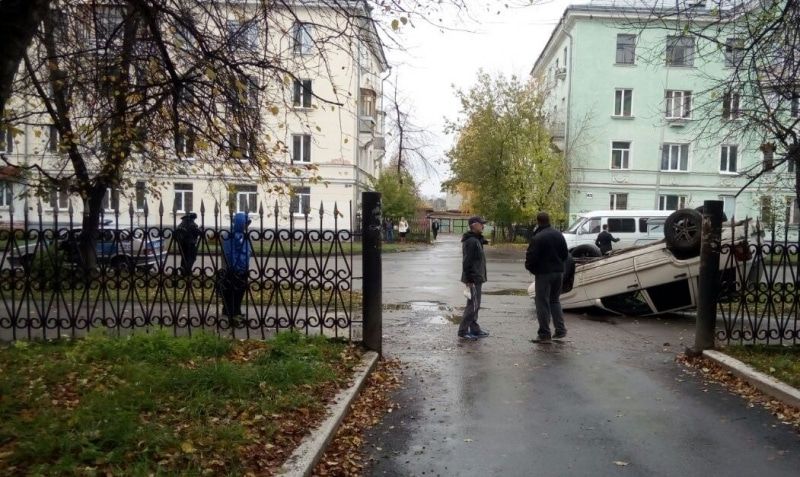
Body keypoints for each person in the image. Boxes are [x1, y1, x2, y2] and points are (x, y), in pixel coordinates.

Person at [525, 211, 569, 343]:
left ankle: (544, 334)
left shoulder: (538, 237)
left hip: (544, 274)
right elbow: (565, 254)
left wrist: (531, 268)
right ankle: (560, 330)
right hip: (558, 272)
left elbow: (531, 257)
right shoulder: (559, 234)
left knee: (542, 303)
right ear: (549, 220)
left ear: (538, 221)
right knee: (555, 301)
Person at [458, 216, 490, 340]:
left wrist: (481, 240)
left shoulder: (475, 239)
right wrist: (469, 279)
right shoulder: (471, 241)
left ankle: (475, 329)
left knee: (475, 304)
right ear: (474, 225)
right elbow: (467, 261)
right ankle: (463, 331)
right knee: (473, 305)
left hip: (476, 276)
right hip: (473, 278)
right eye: (481, 224)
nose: (483, 226)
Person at [219, 212, 251, 323]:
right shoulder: (230, 235)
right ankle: (232, 313)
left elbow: (247, 252)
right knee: (233, 291)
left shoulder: (243, 235)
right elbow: (229, 253)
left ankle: (235, 311)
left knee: (239, 291)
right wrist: (234, 266)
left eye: (247, 223)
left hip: (242, 269)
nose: (246, 226)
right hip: (234, 269)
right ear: (240, 223)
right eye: (245, 223)